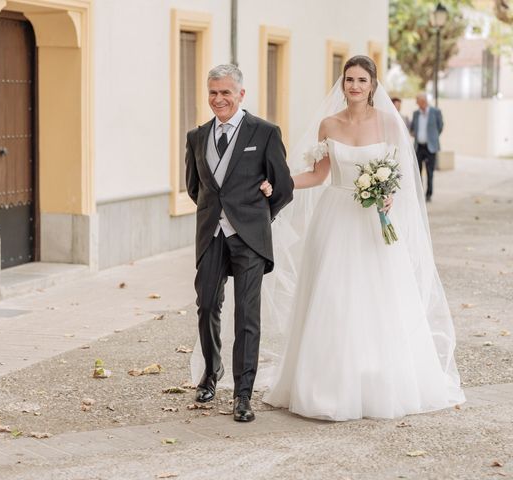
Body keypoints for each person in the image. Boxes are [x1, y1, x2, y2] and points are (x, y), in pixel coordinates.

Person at [258, 56, 464, 421]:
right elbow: (319, 174)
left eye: (361, 80)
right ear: (342, 84)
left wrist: (389, 195)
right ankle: (328, 383)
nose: (354, 85)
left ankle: (377, 380)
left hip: (373, 222)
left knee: (378, 297)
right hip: (335, 218)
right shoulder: (329, 124)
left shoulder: (388, 123)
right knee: (333, 297)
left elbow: (402, 177)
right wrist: (280, 185)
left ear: (373, 86)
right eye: (349, 79)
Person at [184, 64, 294, 422]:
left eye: (226, 92)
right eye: (213, 92)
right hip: (211, 236)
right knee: (206, 306)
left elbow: (283, 187)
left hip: (249, 238)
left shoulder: (264, 132)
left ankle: (243, 394)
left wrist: (259, 212)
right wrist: (215, 214)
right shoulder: (197, 136)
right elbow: (195, 188)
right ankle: (210, 374)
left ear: (241, 94)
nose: (219, 99)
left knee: (247, 315)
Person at [410, 92, 443, 202]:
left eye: (417, 101)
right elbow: (412, 128)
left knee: (430, 172)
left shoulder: (435, 112)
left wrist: (433, 138)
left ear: (423, 101)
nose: (416, 103)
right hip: (419, 147)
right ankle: (419, 194)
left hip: (431, 147)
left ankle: (429, 194)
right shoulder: (416, 114)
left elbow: (440, 127)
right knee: (417, 173)